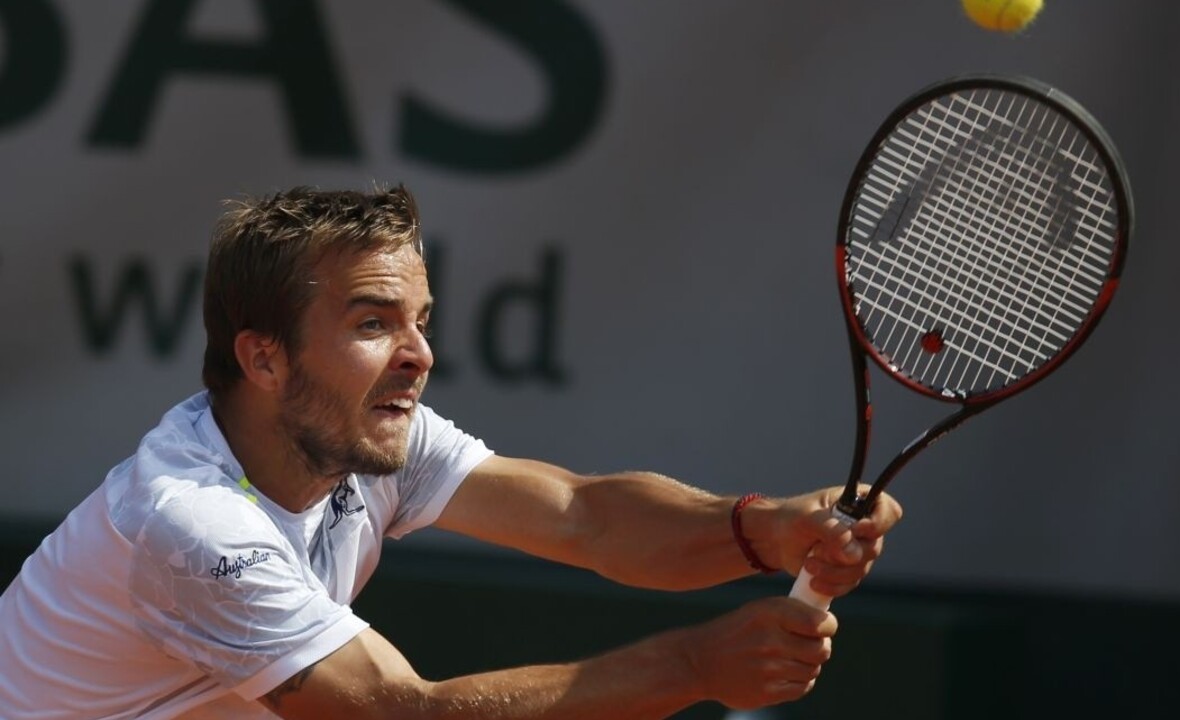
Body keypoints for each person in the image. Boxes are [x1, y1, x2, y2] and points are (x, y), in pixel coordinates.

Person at [0, 185, 902, 719]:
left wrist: (765, 530)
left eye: (420, 321)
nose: (419, 355)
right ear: (263, 358)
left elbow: (584, 516)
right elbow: (403, 716)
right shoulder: (191, 527)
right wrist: (691, 667)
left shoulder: (365, 439)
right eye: (372, 323)